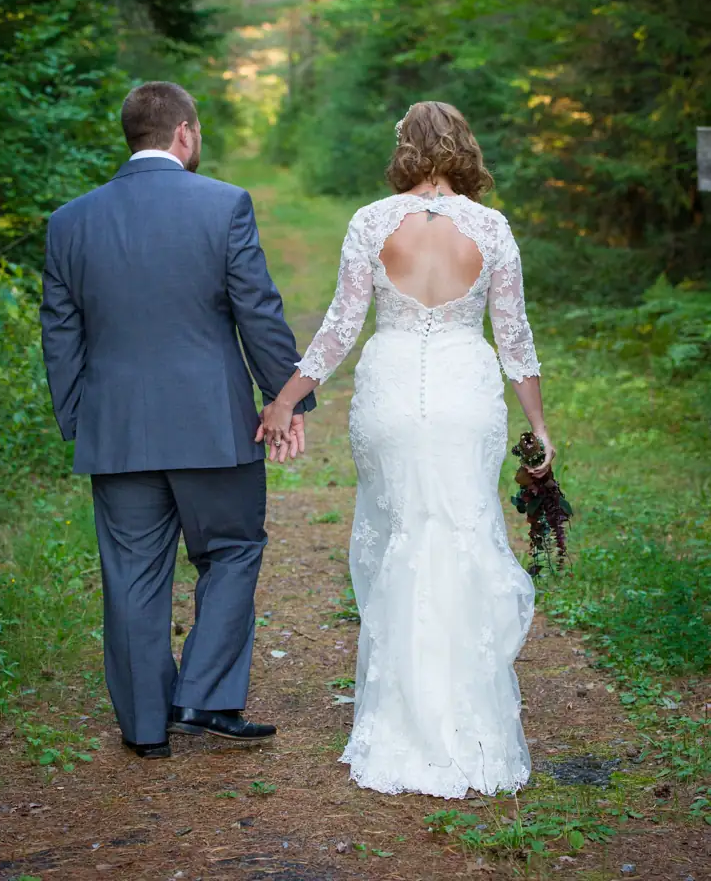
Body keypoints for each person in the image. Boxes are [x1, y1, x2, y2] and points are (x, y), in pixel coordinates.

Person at [260, 101, 553, 798]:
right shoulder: (491, 228)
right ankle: (465, 722)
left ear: (405, 150)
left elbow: (338, 328)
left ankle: (400, 719)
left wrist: (284, 398)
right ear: (462, 149)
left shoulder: (370, 221)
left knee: (399, 538)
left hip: (391, 394)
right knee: (457, 535)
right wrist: (538, 429)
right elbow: (514, 341)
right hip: (464, 392)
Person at [40, 82, 314, 759]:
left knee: (132, 575)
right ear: (184, 133)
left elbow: (60, 333)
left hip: (116, 429)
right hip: (212, 427)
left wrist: (80, 419)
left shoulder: (69, 221)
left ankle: (144, 729)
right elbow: (257, 310)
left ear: (131, 135)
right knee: (231, 551)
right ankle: (205, 698)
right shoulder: (223, 204)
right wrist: (285, 399)